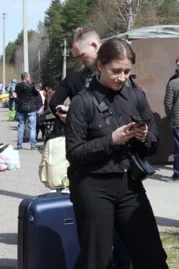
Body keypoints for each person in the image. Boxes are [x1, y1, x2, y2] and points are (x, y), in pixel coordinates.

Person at [66, 38, 168, 268]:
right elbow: (74, 152)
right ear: (100, 65)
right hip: (92, 187)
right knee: (99, 261)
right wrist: (111, 140)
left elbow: (153, 144)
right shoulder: (82, 102)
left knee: (153, 256)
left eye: (126, 71)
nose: (122, 77)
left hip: (129, 186)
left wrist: (143, 137)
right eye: (116, 71)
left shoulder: (135, 96)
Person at [49, 27, 131, 268]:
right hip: (89, 169)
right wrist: (70, 115)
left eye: (80, 55)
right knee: (97, 246)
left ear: (95, 47)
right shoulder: (79, 79)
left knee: (126, 242)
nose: (79, 60)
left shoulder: (121, 77)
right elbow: (55, 103)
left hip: (121, 171)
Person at [15, 72, 39, 150]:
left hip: (21, 109)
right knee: (32, 127)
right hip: (31, 109)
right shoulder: (31, 86)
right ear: (26, 78)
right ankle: (32, 145)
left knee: (21, 126)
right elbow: (36, 94)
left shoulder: (17, 86)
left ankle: (19, 145)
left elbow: (17, 94)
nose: (30, 78)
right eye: (29, 77)